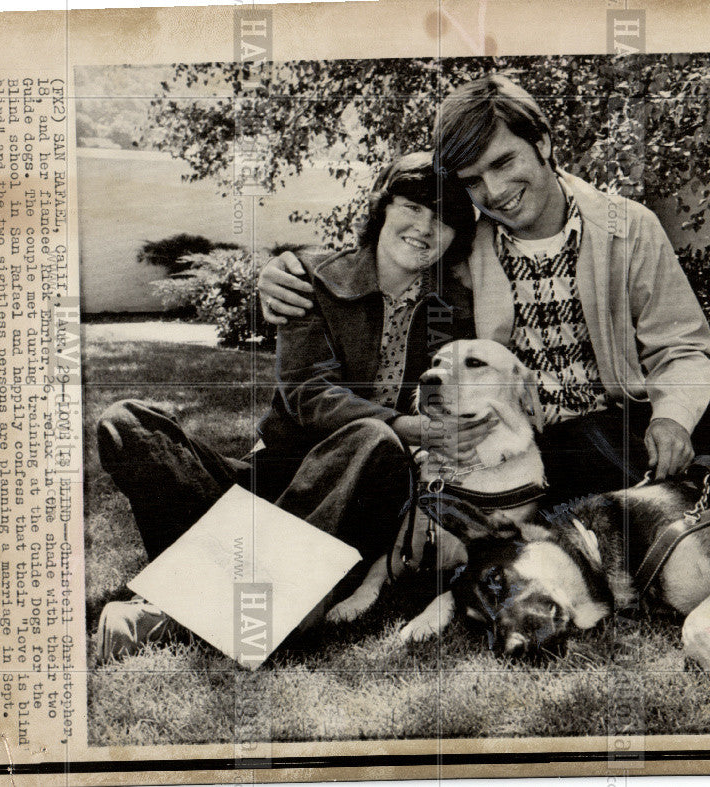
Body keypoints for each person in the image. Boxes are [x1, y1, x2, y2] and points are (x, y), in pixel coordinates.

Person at [259, 74, 710, 504]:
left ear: (541, 141)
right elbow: (384, 263)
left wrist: (671, 418)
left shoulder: (628, 227)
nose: (495, 190)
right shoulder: (466, 245)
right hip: (508, 434)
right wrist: (283, 273)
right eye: (473, 181)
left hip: (616, 423)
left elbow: (680, 346)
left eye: (503, 162)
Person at [94, 152, 481, 660]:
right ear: (383, 208)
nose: (425, 227)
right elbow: (307, 394)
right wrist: (408, 424)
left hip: (365, 492)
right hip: (276, 474)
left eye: (444, 220)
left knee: (372, 439)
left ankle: (185, 610)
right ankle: (242, 594)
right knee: (127, 424)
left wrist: (407, 434)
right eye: (412, 206)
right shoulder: (311, 278)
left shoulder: (452, 310)